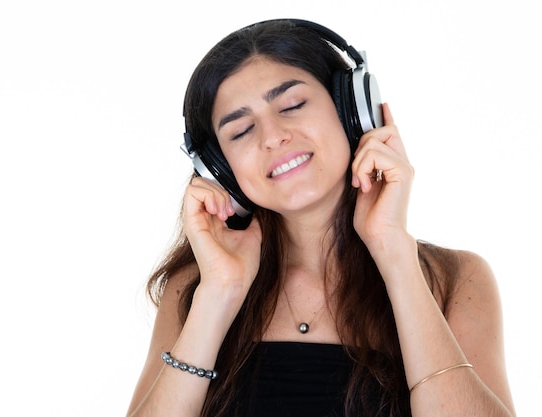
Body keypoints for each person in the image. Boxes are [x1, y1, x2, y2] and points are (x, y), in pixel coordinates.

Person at [127, 19, 516, 417]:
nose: (273, 136)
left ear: (353, 112)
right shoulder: (195, 288)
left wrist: (394, 252)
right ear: (218, 169)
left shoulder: (456, 279)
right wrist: (219, 294)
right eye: (241, 130)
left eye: (293, 105)